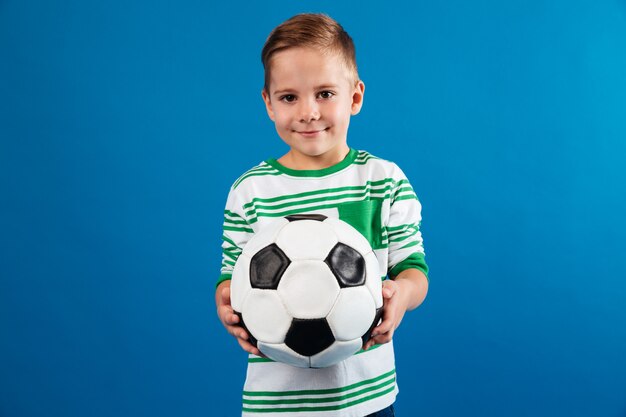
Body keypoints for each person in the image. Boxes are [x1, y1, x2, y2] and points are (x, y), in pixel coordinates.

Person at [215, 13, 429, 417]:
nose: (308, 112)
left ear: (355, 96)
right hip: (275, 404)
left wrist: (402, 295)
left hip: (366, 398)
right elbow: (229, 279)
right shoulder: (251, 191)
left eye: (325, 93)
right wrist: (225, 304)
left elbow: (414, 269)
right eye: (289, 97)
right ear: (268, 104)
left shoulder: (383, 181)